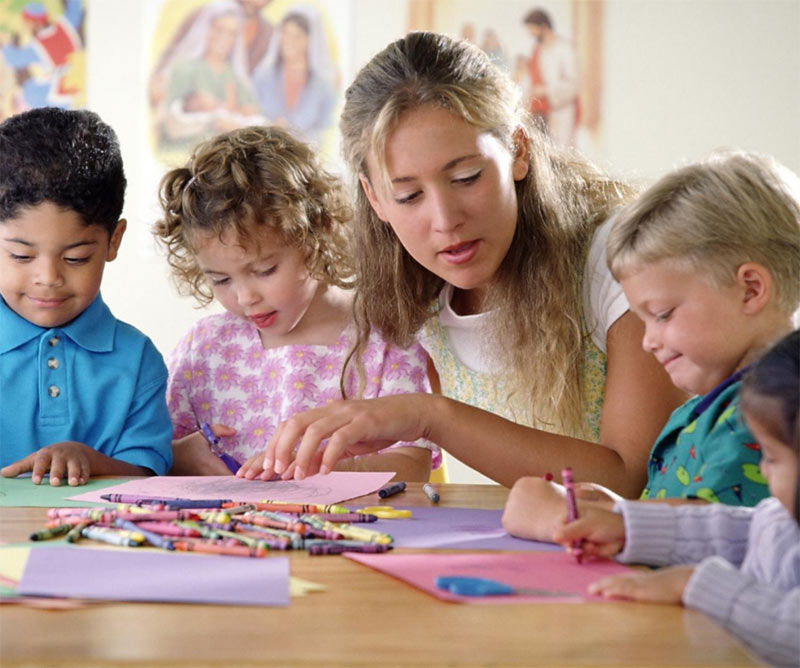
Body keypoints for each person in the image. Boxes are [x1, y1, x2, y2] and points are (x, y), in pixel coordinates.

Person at [240, 31, 685, 491]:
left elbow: (630, 478)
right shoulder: (414, 298)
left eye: (467, 177)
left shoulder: (618, 257)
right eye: (408, 195)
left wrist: (429, 416)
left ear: (518, 151)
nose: (445, 220)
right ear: (374, 198)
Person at [502, 151, 800, 538]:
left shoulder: (767, 414)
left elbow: (719, 533)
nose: (648, 342)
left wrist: (574, 520)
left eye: (662, 314)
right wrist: (618, 507)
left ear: (751, 289)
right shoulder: (711, 405)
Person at [154, 125, 439, 481]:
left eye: (265, 269)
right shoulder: (205, 349)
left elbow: (412, 466)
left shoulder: (385, 337)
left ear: (318, 230)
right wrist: (180, 455)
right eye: (221, 280)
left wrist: (310, 471)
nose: (245, 298)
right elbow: (152, 454)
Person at [547, 330, 800, 667]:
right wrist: (626, 526)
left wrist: (696, 585)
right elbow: (738, 530)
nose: (764, 471)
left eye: (771, 457)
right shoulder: (782, 517)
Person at [0, 107, 173, 486]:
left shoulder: (137, 359)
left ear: (114, 241)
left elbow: (149, 473)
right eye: (21, 256)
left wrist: (90, 460)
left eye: (76, 257)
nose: (48, 278)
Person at [151, 0, 264, 152]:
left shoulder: (236, 76)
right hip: (184, 154)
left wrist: (236, 114)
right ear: (206, 29)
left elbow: (252, 118)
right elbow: (167, 122)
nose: (224, 38)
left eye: (232, 33)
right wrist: (209, 119)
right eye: (219, 29)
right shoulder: (185, 68)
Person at [252, 6, 336, 146]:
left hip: (307, 161)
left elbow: (325, 128)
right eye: (284, 33)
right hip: (265, 159)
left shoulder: (323, 85)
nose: (288, 41)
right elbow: (249, 116)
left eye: (296, 36)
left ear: (310, 40)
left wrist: (292, 134)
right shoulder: (262, 77)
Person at [522, 8, 580, 147]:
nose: (532, 34)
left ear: (543, 26)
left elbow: (574, 84)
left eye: (533, 30)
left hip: (561, 112)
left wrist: (546, 90)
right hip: (540, 113)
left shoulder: (565, 49)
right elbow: (530, 79)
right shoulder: (538, 51)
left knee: (561, 153)